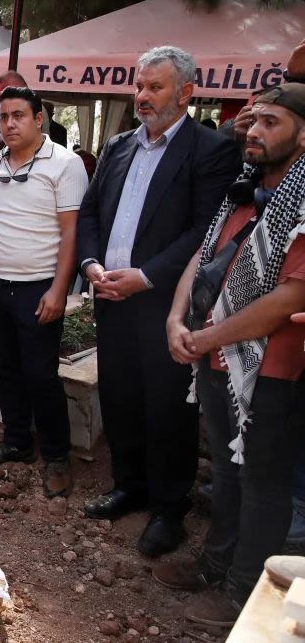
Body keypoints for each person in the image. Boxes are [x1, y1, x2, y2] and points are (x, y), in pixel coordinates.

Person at [76, 45, 240, 556]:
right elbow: (89, 215)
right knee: (120, 397)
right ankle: (130, 486)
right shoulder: (119, 145)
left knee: (167, 408)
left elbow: (204, 231)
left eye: (155, 87)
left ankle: (169, 510)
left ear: (186, 93)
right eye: (139, 85)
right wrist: (91, 266)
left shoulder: (210, 150)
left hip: (165, 304)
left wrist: (145, 277)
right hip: (110, 295)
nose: (142, 96)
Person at [152, 83, 305, 628]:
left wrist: (208, 337)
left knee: (263, 483)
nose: (255, 131)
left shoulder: (300, 201)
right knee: (227, 470)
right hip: (216, 359)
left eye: (272, 123)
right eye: (254, 120)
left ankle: (242, 595)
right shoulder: (244, 191)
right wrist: (176, 318)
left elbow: (290, 298)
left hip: (270, 371)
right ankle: (216, 565)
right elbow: (203, 254)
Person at [0, 87, 87, 496]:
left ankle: (56, 455)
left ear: (39, 118)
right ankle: (15, 441)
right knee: (5, 367)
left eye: (18, 116)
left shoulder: (65, 164)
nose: (9, 124)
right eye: (4, 117)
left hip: (37, 289)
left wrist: (59, 290)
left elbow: (71, 234)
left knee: (41, 374)